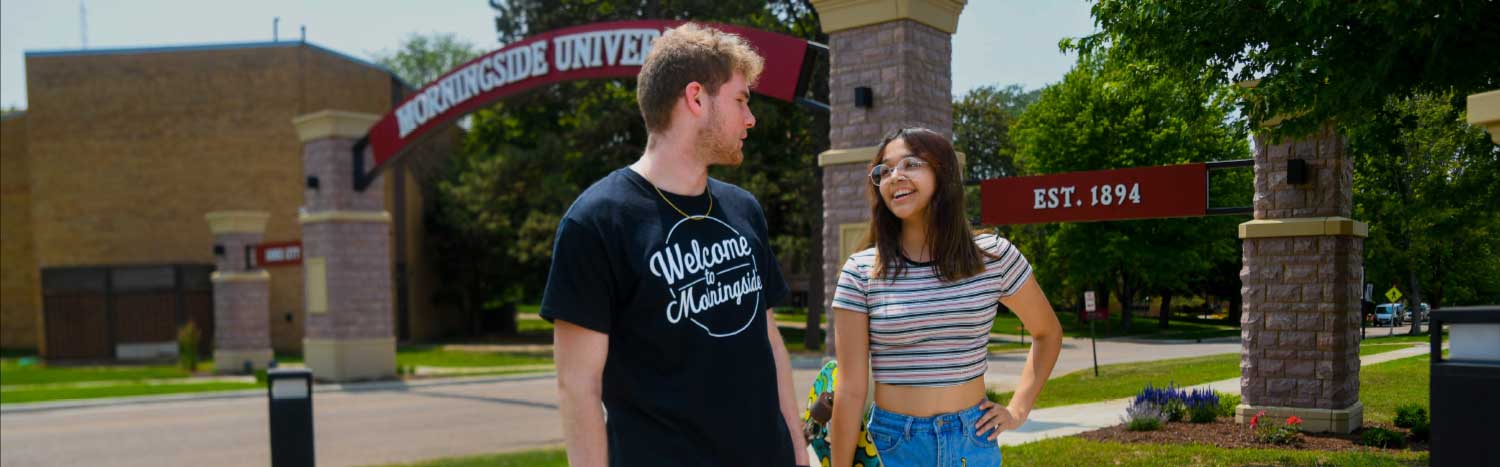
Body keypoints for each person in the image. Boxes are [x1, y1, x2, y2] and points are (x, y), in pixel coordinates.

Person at [540, 23, 807, 467]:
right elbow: (577, 385)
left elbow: (770, 341)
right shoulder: (596, 221)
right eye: (741, 100)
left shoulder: (744, 209)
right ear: (696, 98)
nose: (750, 117)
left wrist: (798, 449)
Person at [828, 127, 1063, 466]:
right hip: (892, 446)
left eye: (910, 164)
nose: (895, 176)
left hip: (973, 440)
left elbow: (1048, 333)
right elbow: (850, 391)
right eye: (885, 170)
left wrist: (1018, 409)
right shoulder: (861, 271)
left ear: (943, 172)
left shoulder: (994, 256)